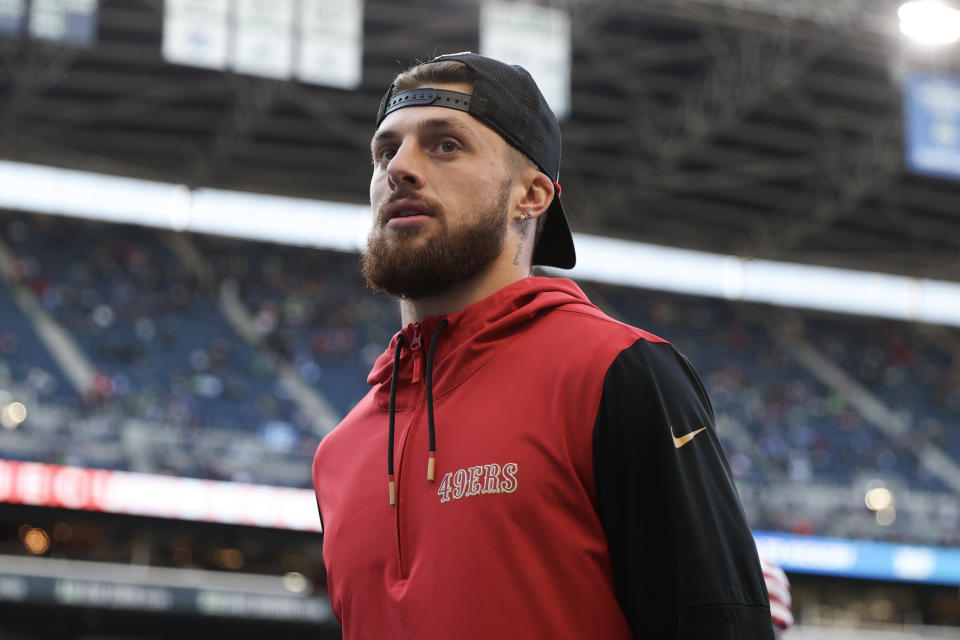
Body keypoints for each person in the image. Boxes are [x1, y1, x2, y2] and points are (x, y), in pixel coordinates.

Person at [312, 52, 774, 639]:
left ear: (531, 196)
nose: (399, 169)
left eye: (445, 144)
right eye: (385, 151)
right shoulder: (340, 451)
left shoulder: (618, 375)